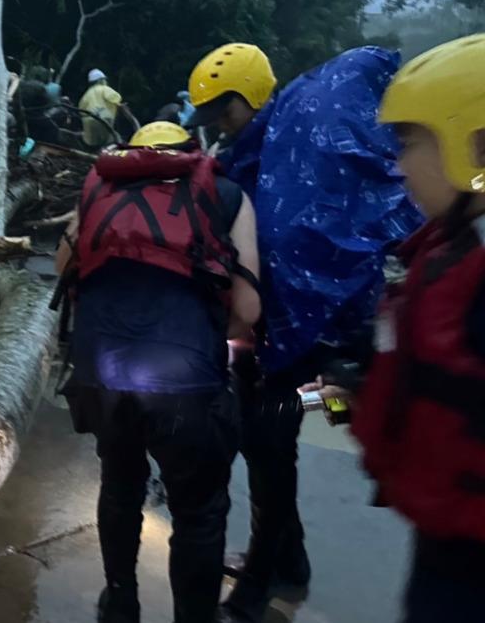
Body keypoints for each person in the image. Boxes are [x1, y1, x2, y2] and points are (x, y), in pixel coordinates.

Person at [186, 43, 424, 622]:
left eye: (227, 108)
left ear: (255, 97)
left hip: (297, 333)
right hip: (270, 331)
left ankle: (259, 588)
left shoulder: (304, 143)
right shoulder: (255, 152)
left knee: (271, 452)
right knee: (262, 445)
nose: (219, 122)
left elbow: (309, 242)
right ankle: (288, 561)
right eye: (212, 114)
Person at [56, 121, 261, 623]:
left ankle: (120, 600)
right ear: (191, 153)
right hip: (184, 384)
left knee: (121, 483)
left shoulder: (97, 188)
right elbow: (249, 309)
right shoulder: (227, 195)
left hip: (103, 377)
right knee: (199, 510)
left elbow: (65, 266)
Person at [325, 33, 485, 623]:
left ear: (474, 145)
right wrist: (353, 378)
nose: (398, 162)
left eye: (411, 141)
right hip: (443, 528)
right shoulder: (447, 246)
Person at [78, 68, 136, 149]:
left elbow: (81, 109)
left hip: (88, 122)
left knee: (95, 144)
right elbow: (116, 97)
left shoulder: (86, 94)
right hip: (104, 118)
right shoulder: (103, 89)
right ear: (101, 80)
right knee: (110, 141)